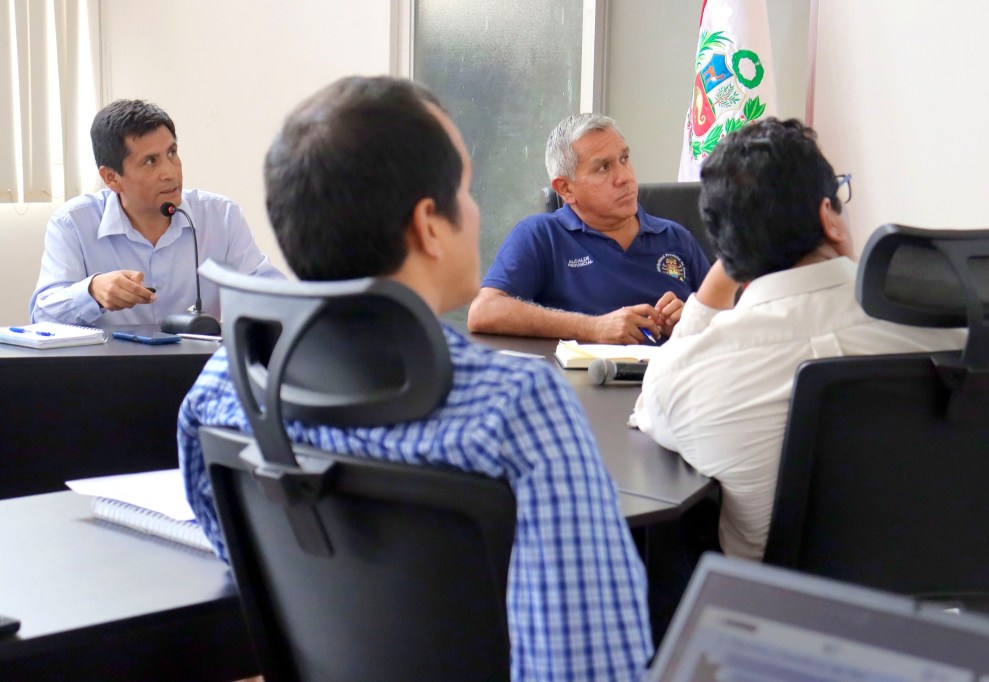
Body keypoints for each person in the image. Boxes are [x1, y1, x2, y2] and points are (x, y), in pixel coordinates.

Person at [178, 77, 653, 680]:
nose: (476, 211)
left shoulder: (223, 387)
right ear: (430, 224)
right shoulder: (516, 407)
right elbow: (592, 666)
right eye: (466, 190)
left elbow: (256, 572)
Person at [633, 118, 970, 561]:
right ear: (829, 217)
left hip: (781, 603)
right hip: (970, 597)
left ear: (727, 249)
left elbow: (650, 406)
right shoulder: (964, 322)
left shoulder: (690, 373)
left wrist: (719, 281)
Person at [30, 99, 283, 327]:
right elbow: (43, 316)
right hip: (110, 363)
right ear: (111, 178)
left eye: (172, 153)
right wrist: (93, 292)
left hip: (197, 362)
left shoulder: (221, 216)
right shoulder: (73, 223)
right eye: (150, 161)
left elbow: (272, 294)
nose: (171, 173)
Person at [467, 113, 710, 344]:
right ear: (565, 189)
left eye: (624, 159)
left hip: (672, 371)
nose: (624, 177)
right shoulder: (541, 236)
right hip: (583, 373)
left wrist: (692, 321)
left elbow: (727, 320)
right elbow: (484, 311)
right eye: (603, 167)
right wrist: (593, 328)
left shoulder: (675, 237)